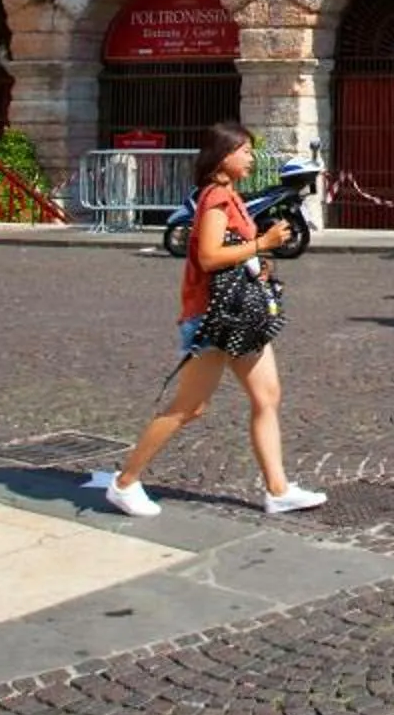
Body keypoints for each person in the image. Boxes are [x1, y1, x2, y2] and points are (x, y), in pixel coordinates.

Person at [92, 119, 324, 518]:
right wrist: (262, 242)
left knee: (267, 397)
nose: (252, 158)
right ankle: (124, 482)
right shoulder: (216, 197)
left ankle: (278, 490)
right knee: (189, 407)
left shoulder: (230, 195)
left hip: (238, 315)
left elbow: (231, 251)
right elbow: (209, 257)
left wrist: (257, 260)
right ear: (224, 155)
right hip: (213, 318)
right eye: (246, 151)